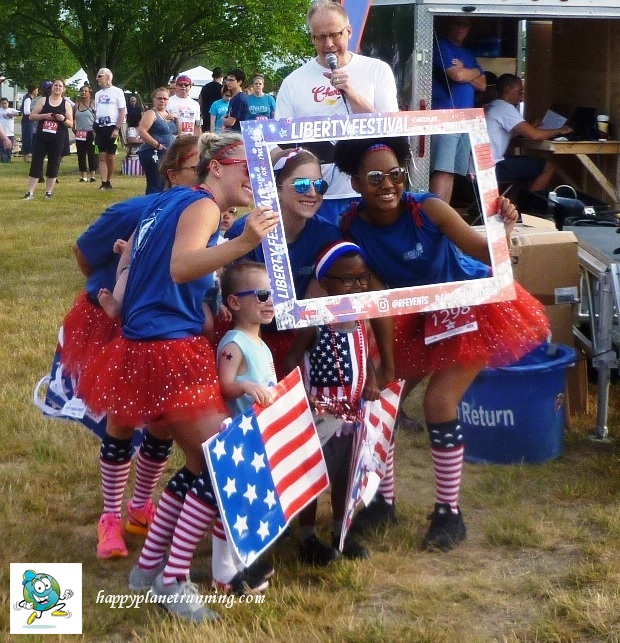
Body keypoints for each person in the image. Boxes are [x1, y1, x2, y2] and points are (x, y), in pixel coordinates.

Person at [75, 132, 278, 622]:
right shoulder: (203, 205)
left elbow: (144, 259)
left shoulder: (170, 202)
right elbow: (182, 266)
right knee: (220, 465)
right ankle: (173, 579)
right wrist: (244, 242)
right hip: (168, 349)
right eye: (247, 166)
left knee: (196, 463)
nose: (256, 177)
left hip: (149, 344)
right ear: (216, 167)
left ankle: (148, 570)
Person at [333, 136, 550, 551]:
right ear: (356, 183)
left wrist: (502, 227)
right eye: (375, 177)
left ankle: (449, 513)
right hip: (411, 314)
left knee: (439, 402)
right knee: (383, 399)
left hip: (465, 303)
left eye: (396, 174)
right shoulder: (352, 225)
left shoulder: (426, 208)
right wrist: (386, 363)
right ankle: (382, 501)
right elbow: (377, 295)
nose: (388, 184)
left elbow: (482, 252)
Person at [63, 136, 202, 561]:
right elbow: (84, 251)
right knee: (122, 417)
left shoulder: (208, 213)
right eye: (198, 168)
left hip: (166, 329)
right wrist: (110, 284)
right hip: (118, 322)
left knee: (162, 420)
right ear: (173, 173)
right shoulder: (134, 210)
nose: (206, 176)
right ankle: (109, 517)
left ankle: (141, 506)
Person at [284, 241, 380, 565]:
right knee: (313, 474)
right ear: (325, 282)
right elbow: (292, 359)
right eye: (348, 280)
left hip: (353, 416)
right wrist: (301, 395)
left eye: (363, 278)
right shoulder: (316, 322)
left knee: (345, 475)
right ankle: (307, 537)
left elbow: (365, 356)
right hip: (321, 417)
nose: (358, 286)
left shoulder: (360, 320)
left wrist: (372, 381)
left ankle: (342, 530)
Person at [275, 0, 399, 225]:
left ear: (349, 31)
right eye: (321, 37)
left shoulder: (377, 70)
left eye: (335, 34)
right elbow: (280, 143)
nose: (329, 44)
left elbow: (392, 130)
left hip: (368, 192)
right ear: (312, 38)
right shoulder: (293, 82)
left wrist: (351, 94)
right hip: (316, 197)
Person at [225, 147, 343, 376]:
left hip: (305, 335)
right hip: (249, 335)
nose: (312, 193)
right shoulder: (243, 233)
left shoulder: (328, 235)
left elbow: (320, 303)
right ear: (276, 189)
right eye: (301, 185)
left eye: (319, 185)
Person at [429, 17, 486, 204]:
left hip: (465, 120)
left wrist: (468, 72)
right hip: (446, 118)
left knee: (452, 171)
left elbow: (483, 85)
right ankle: (434, 215)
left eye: (465, 25)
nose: (461, 28)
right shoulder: (442, 46)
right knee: (442, 169)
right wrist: (474, 71)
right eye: (457, 23)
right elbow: (458, 75)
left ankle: (444, 214)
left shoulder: (468, 53)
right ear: (449, 25)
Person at [485, 73, 573, 192]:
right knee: (548, 167)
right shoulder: (505, 108)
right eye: (519, 92)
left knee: (525, 170)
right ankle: (529, 202)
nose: (521, 96)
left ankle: (517, 202)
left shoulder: (493, 105)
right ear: (508, 90)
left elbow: (510, 132)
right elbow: (535, 135)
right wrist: (560, 130)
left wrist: (530, 126)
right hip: (492, 167)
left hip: (482, 166)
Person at [22, 79, 73, 200]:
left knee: (53, 163)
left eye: (60, 86)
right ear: (52, 88)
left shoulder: (66, 104)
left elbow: (71, 124)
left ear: (63, 89)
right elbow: (32, 116)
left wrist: (63, 119)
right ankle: (30, 192)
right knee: (36, 163)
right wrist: (44, 116)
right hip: (42, 137)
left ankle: (48, 192)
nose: (57, 87)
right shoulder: (43, 100)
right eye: (55, 85)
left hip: (57, 138)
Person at [137, 87, 179, 194]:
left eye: (165, 99)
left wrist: (177, 119)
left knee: (165, 184)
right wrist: (157, 145)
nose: (162, 101)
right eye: (159, 98)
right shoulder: (151, 113)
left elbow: (178, 132)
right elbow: (142, 131)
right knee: (156, 183)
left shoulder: (168, 114)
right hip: (153, 152)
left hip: (167, 153)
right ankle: (151, 202)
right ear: (154, 99)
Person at [94, 67, 127, 190]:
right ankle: (103, 182)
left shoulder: (117, 92)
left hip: (112, 126)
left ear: (108, 77)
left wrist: (117, 128)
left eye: (100, 76)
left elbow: (122, 111)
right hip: (100, 127)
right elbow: (97, 111)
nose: (97, 78)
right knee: (101, 155)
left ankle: (108, 180)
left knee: (110, 156)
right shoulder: (97, 94)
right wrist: (95, 124)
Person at [73, 85, 98, 182]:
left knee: (92, 153)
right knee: (81, 153)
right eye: (82, 91)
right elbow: (73, 118)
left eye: (85, 91)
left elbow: (97, 117)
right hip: (80, 132)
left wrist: (95, 129)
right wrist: (74, 129)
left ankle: (93, 175)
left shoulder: (93, 103)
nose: (83, 93)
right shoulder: (76, 105)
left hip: (90, 131)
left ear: (89, 93)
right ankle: (83, 176)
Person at [198, 67, 223, 132]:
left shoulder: (205, 87)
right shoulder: (222, 88)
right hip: (218, 114)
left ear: (212, 76)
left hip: (206, 113)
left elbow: (200, 100)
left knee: (206, 133)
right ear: (221, 76)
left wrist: (201, 111)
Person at [20, 84, 38, 161]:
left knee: (31, 138)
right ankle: (26, 156)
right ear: (33, 91)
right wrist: (35, 113)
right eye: (36, 90)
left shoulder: (30, 98)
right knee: (27, 138)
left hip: (30, 121)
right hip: (27, 121)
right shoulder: (28, 99)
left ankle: (29, 155)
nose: (37, 92)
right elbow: (26, 111)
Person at [0, 97, 20, 162]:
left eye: (5, 103)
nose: (4, 105)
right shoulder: (0, 110)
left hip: (10, 132)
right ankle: (3, 159)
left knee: (9, 147)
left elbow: (20, 113)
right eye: (2, 103)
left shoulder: (11, 110)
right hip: (2, 133)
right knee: (2, 147)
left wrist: (11, 114)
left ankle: (8, 159)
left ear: (8, 103)